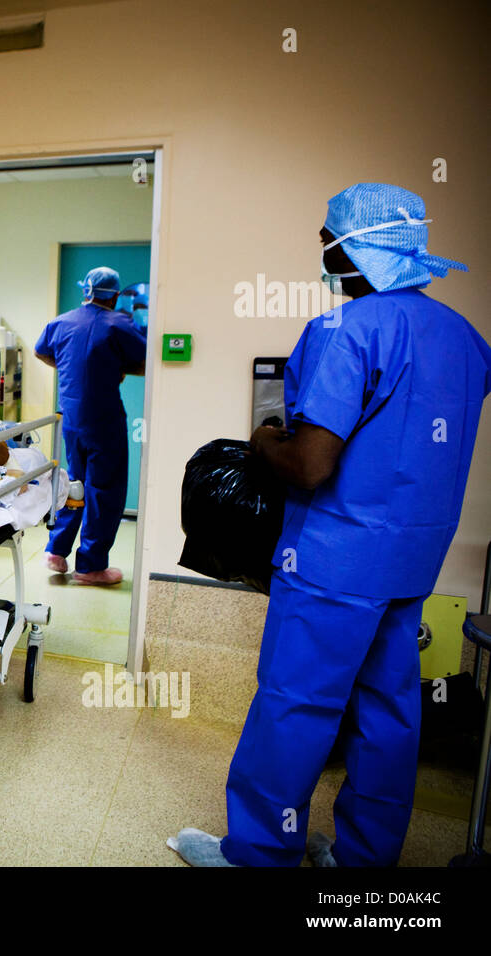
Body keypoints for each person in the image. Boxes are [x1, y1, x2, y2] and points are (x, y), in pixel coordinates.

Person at [171, 183, 489, 867]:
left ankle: (259, 852)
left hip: (334, 561)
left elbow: (312, 464)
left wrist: (262, 442)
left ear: (358, 250)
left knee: (296, 704)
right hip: (411, 559)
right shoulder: (464, 338)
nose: (324, 254)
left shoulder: (345, 330)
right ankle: (361, 860)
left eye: (329, 242)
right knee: (389, 711)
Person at [34, 267, 147, 585]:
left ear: (87, 290)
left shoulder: (62, 321)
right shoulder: (118, 323)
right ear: (113, 295)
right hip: (103, 419)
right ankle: (91, 566)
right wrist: (111, 369)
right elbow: (146, 359)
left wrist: (73, 367)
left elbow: (41, 351)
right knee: (105, 490)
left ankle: (56, 551)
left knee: (75, 484)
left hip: (70, 418)